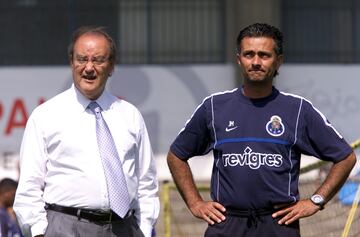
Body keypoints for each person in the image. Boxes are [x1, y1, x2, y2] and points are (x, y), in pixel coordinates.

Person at [167, 23, 357, 237]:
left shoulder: (298, 110)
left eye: (264, 55)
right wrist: (195, 203)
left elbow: (345, 157)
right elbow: (176, 155)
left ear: (279, 61)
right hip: (227, 223)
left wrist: (316, 200)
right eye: (249, 54)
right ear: (239, 59)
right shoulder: (213, 107)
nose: (256, 62)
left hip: (278, 223)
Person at [13, 26, 159, 237]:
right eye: (82, 59)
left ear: (111, 66)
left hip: (124, 228)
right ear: (72, 62)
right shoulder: (45, 116)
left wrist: (144, 229)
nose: (89, 67)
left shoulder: (130, 115)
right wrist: (38, 232)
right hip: (65, 227)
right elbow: (29, 186)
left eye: (98, 60)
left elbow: (146, 180)